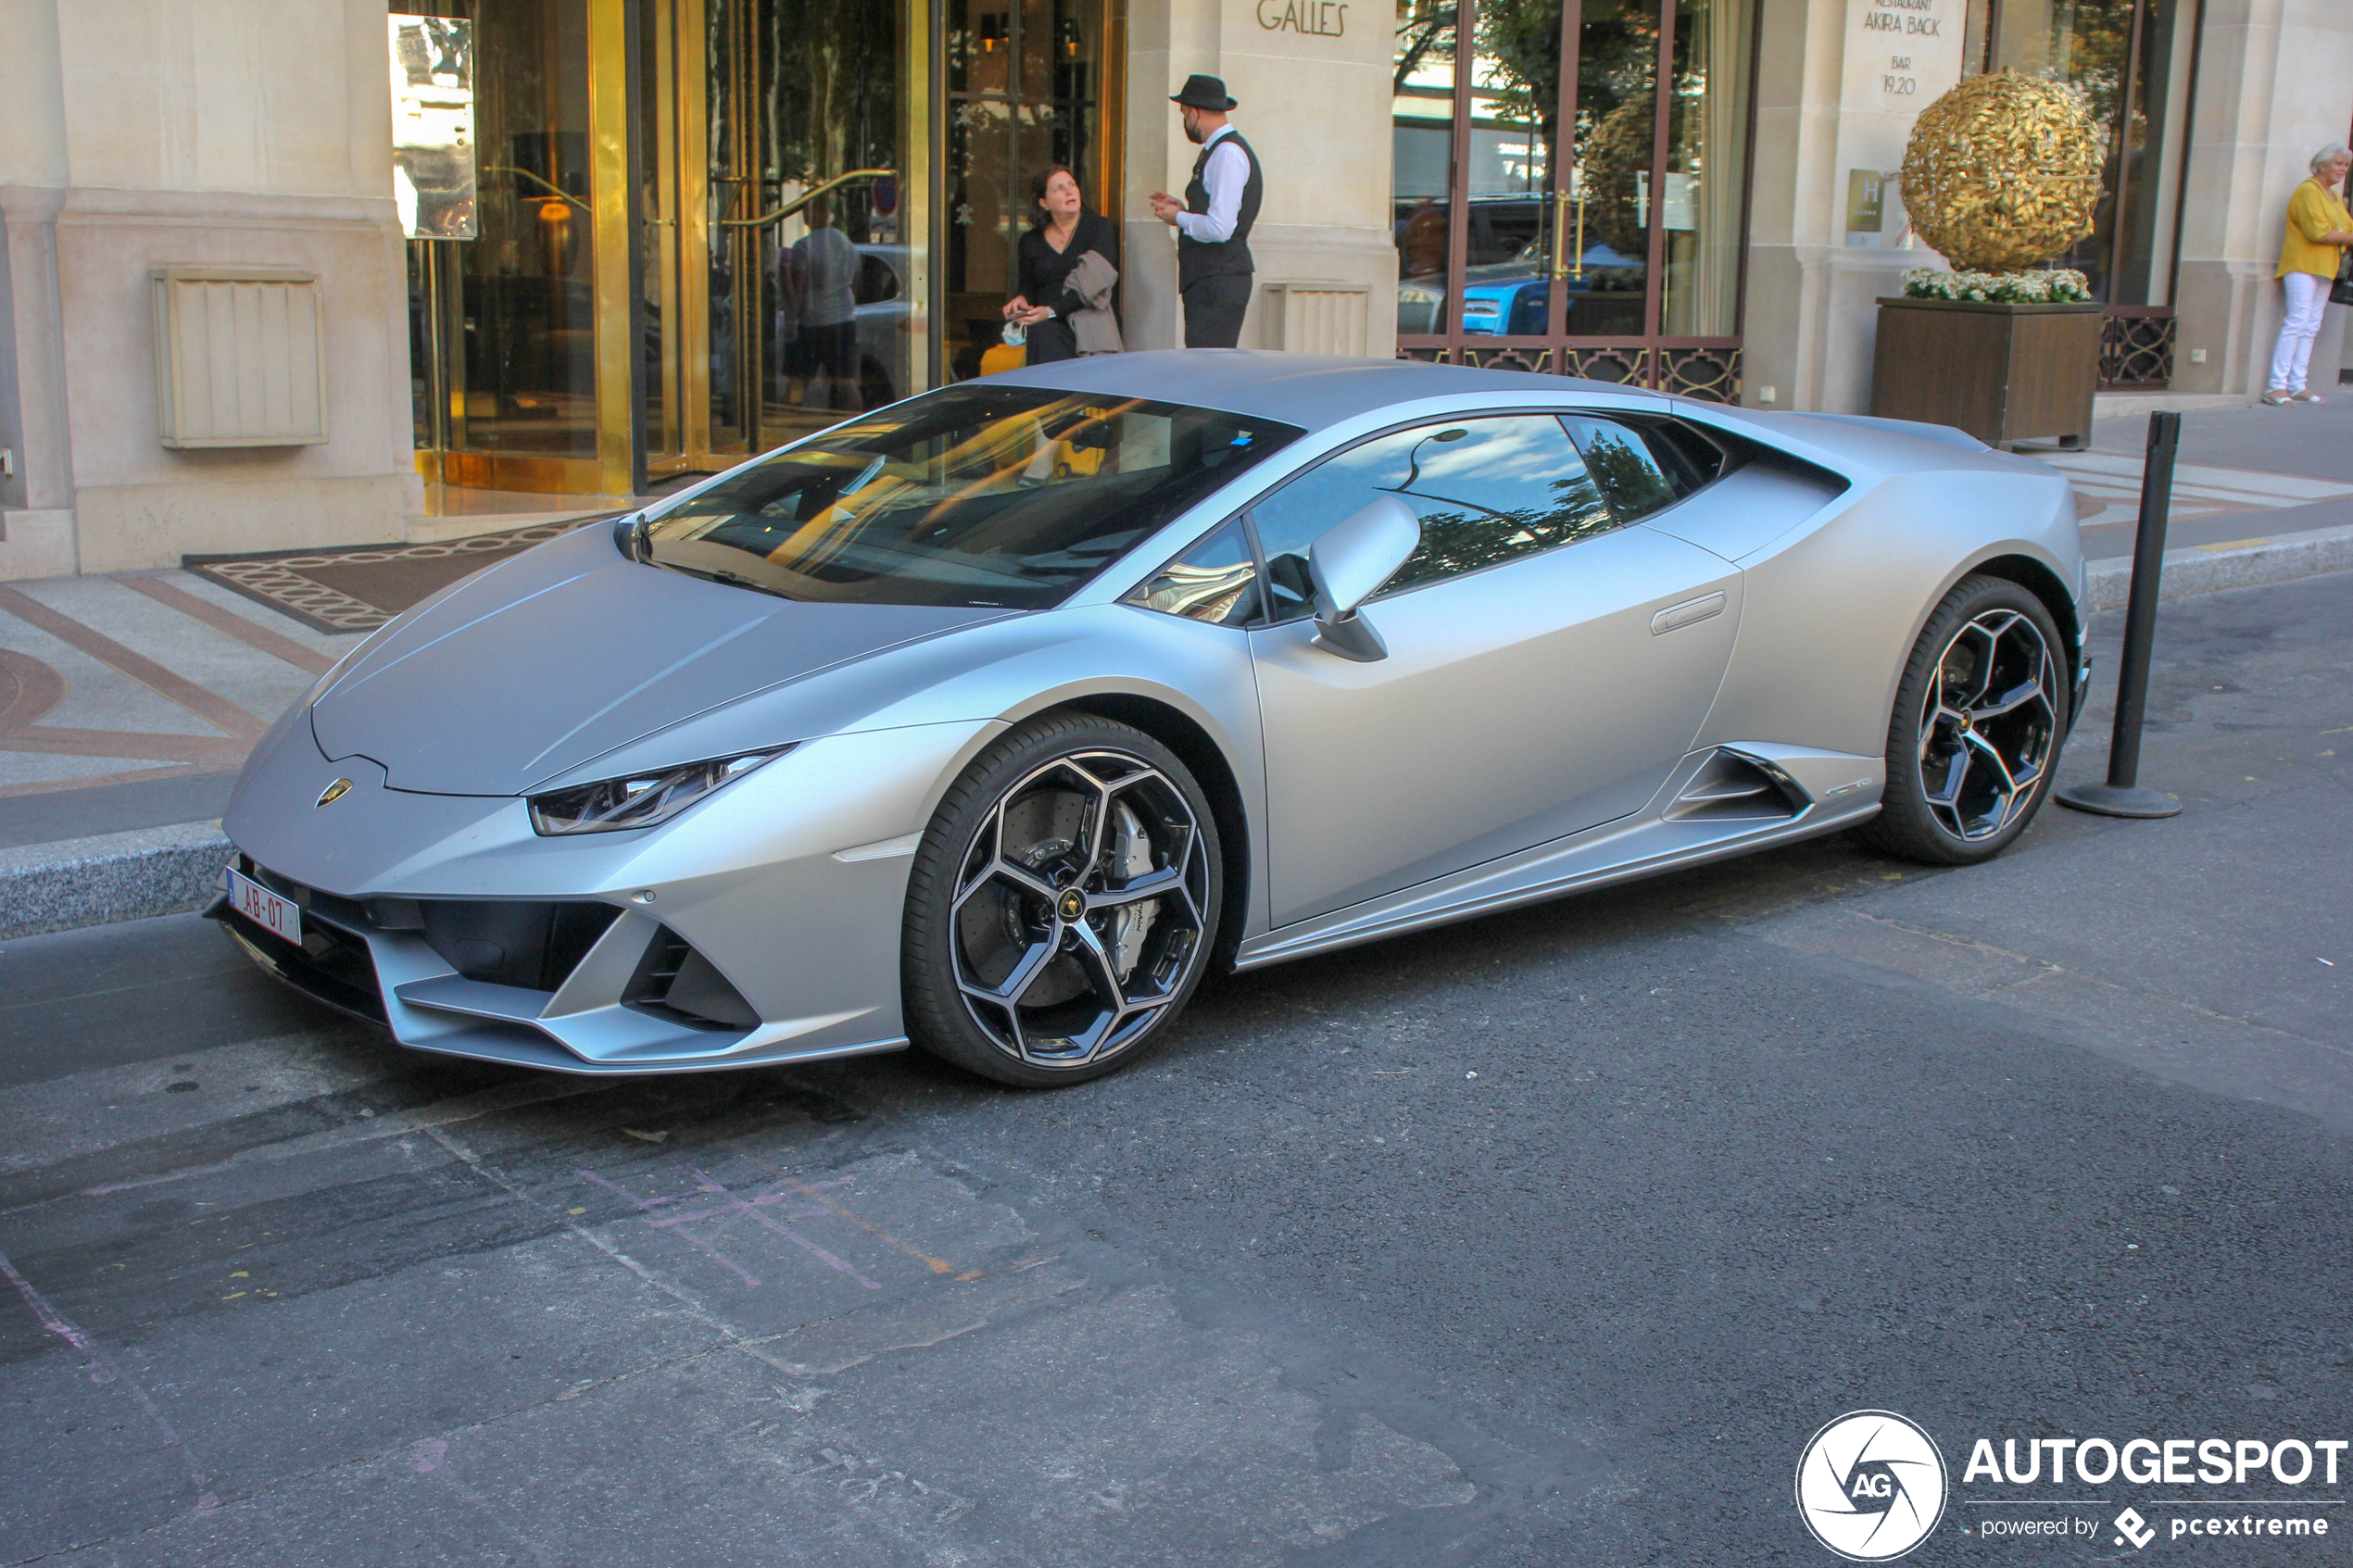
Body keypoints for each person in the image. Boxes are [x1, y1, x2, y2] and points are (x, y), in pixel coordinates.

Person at [1149, 74, 1262, 348]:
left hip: (1217, 281)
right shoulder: (1221, 151)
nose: (1185, 120)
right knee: (1206, 367)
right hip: (1212, 279)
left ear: (1195, 113)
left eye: (1184, 113)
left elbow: (1220, 228)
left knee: (1209, 370)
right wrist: (1184, 211)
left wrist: (1178, 217)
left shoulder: (1226, 153)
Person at [1004, 166, 1122, 364]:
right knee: (1043, 334)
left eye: (1071, 185)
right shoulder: (1030, 240)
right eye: (1059, 188)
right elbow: (1029, 284)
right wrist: (1021, 299)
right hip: (1046, 328)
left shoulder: (1098, 228)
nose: (1069, 191)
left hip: (1088, 321)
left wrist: (1050, 311)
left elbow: (1092, 285)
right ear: (1044, 202)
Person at [2265, 143, 2353, 406]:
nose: (2343, 169)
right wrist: (2344, 235)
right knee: (2297, 322)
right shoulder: (2308, 191)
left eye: (2346, 165)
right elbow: (2319, 232)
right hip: (2303, 265)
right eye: (2338, 163)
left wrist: (2343, 235)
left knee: (2311, 325)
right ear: (2321, 164)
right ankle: (2275, 386)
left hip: (2326, 268)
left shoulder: (2333, 197)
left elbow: (2345, 227)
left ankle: (2297, 384)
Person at [787, 194, 861, 410]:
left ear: (807, 215)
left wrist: (791, 321)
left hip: (812, 323)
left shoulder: (803, 247)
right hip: (843, 320)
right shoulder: (847, 244)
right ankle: (859, 426)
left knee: (798, 381)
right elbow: (855, 282)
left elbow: (798, 290)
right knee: (846, 382)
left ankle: (785, 427)